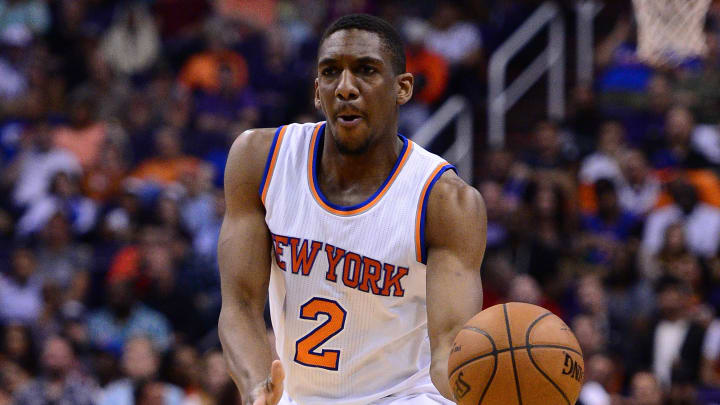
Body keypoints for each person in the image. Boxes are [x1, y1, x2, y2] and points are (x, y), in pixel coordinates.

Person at [218, 14, 486, 405]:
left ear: (403, 88)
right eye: (331, 72)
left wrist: (484, 389)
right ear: (316, 91)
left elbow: (449, 346)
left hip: (405, 397)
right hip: (295, 395)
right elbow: (239, 307)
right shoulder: (260, 161)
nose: (346, 88)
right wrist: (257, 386)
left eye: (366, 71)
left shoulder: (446, 201)